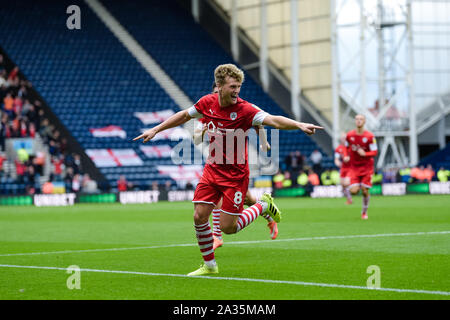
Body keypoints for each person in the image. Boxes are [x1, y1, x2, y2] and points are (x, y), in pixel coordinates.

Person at [134, 63, 322, 276]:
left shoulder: (245, 109)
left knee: (228, 228)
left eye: (239, 87)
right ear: (220, 86)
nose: (236, 91)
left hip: (235, 176)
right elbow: (184, 115)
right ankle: (210, 266)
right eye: (233, 86)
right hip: (212, 170)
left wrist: (298, 124)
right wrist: (156, 129)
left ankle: (263, 206)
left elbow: (273, 120)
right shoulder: (207, 103)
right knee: (199, 216)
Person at [192, 81, 277, 250]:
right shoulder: (208, 111)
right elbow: (196, 138)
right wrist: (200, 132)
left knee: (249, 200)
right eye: (215, 92)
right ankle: (217, 236)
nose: (218, 95)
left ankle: (269, 216)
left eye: (219, 91)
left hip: (237, 167)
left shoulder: (240, 108)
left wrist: (264, 143)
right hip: (217, 163)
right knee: (215, 200)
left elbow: (258, 123)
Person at [343, 114, 378, 220]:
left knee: (364, 190)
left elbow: (375, 152)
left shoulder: (370, 136)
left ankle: (364, 212)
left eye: (361, 119)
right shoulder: (349, 135)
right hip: (354, 167)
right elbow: (346, 147)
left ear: (364, 121)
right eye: (357, 119)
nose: (358, 121)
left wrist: (365, 154)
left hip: (367, 167)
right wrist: (345, 156)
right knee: (354, 191)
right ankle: (351, 195)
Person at [334, 133, 353, 204]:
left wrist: (349, 158)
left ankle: (355, 188)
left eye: (344, 138)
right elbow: (336, 158)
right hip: (343, 168)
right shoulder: (338, 148)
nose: (343, 139)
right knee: (343, 185)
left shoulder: (350, 147)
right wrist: (337, 162)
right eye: (342, 138)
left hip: (350, 168)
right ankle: (349, 199)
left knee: (346, 183)